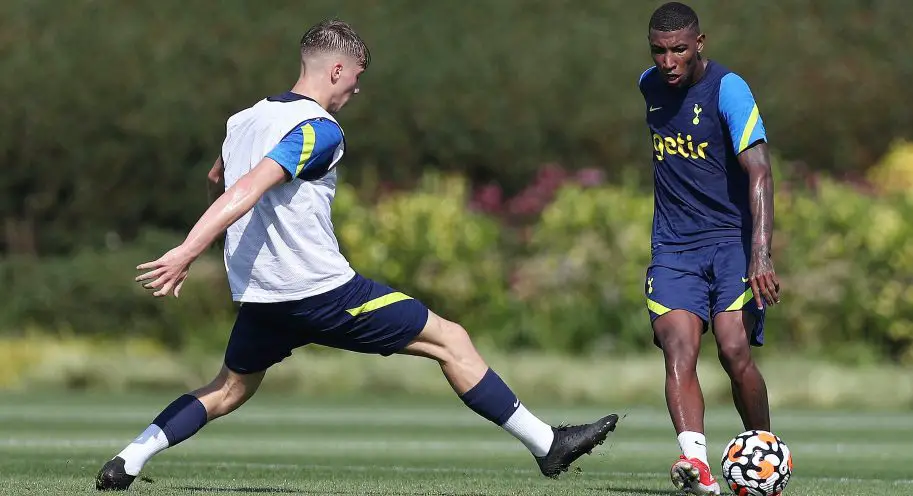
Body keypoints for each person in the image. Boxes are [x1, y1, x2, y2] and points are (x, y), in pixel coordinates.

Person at [95, 18, 617, 491]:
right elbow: (249, 186)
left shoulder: (242, 121)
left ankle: (128, 459)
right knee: (451, 339)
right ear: (337, 69)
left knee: (229, 389)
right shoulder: (320, 130)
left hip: (263, 297)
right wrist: (188, 250)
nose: (357, 88)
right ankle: (548, 446)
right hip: (321, 291)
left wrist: (223, 247)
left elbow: (219, 180)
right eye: (356, 77)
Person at [638, 3, 780, 494]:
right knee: (679, 346)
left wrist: (760, 253)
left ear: (700, 43)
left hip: (730, 244)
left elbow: (759, 170)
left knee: (734, 350)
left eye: (679, 49)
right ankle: (695, 464)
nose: (669, 61)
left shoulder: (729, 89)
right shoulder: (648, 87)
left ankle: (763, 450)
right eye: (659, 51)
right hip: (674, 247)